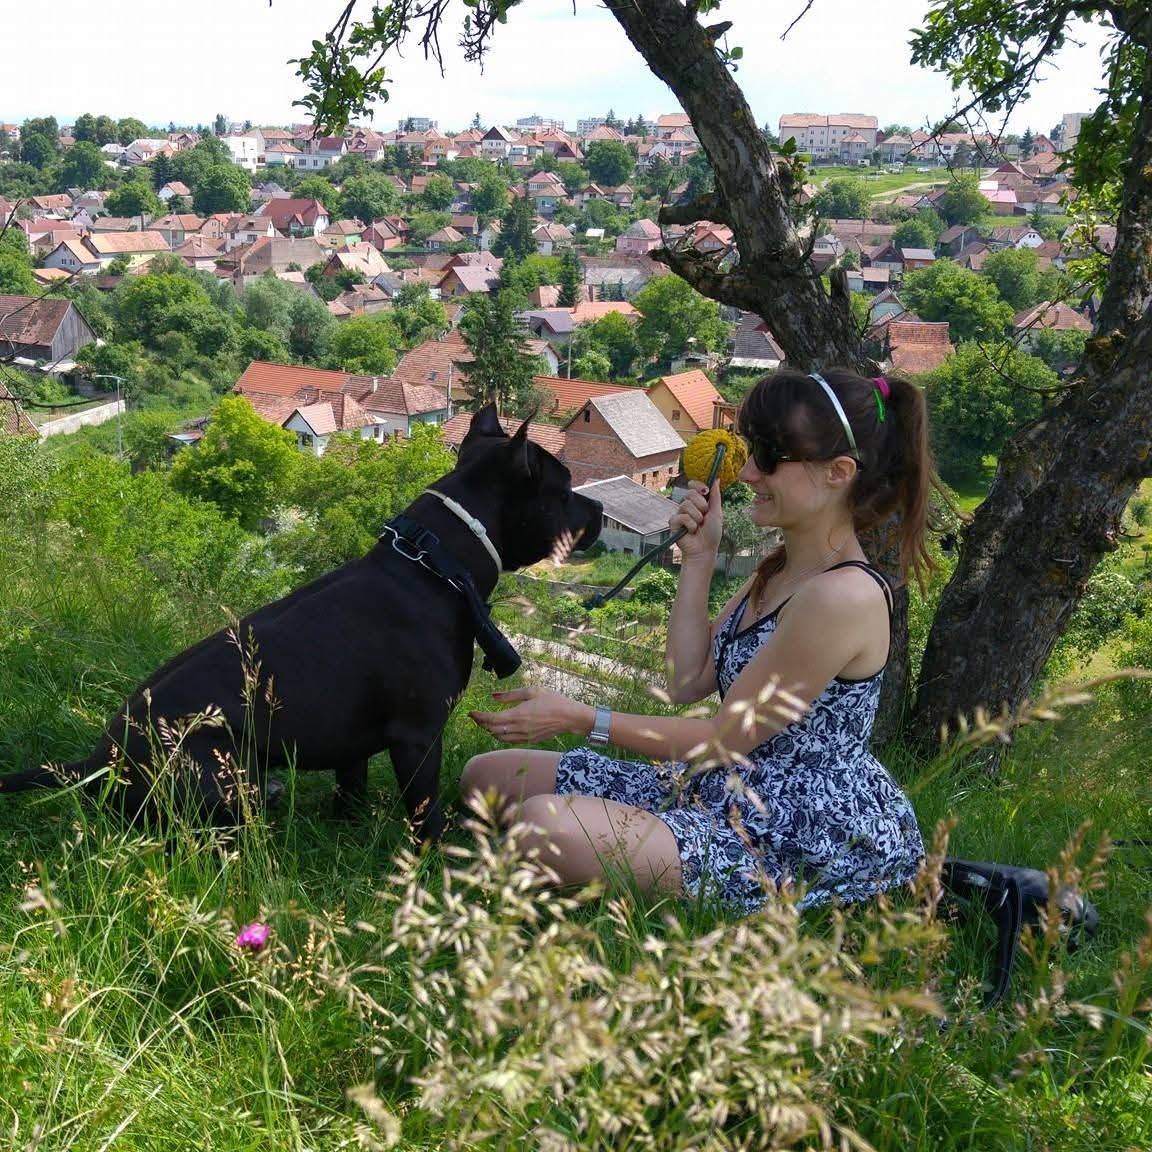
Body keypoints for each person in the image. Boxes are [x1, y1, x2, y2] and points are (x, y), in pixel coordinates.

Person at [463, 369, 932, 913]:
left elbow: (723, 739)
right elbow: (688, 681)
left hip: (797, 826)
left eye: (771, 458)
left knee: (539, 827)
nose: (750, 472)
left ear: (839, 473)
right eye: (753, 451)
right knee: (487, 779)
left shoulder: (843, 597)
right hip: (719, 785)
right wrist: (700, 557)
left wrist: (581, 718)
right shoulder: (776, 570)